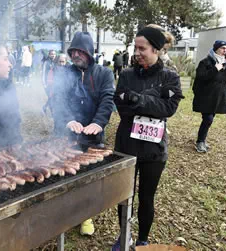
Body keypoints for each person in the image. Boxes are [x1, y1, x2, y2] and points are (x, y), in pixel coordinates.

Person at [111, 26, 184, 249]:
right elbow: (121, 107)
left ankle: (143, 239)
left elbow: (169, 108)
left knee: (146, 198)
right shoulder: (126, 74)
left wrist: (137, 99)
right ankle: (125, 236)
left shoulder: (170, 77)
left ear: (156, 50)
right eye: (135, 47)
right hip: (127, 144)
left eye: (142, 48)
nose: (137, 52)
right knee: (124, 196)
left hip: (154, 150)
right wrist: (150, 101)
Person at [53, 32, 115, 236]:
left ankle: (86, 216)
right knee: (65, 172)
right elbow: (58, 100)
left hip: (92, 135)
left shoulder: (103, 73)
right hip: (67, 134)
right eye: (73, 51)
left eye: (81, 51)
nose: (76, 55)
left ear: (90, 52)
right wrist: (68, 119)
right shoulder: (64, 73)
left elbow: (107, 99)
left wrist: (98, 122)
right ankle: (66, 211)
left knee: (89, 176)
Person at [192, 40, 226, 153]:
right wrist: (215, 69)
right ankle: (200, 141)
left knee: (209, 119)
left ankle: (202, 140)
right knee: (208, 119)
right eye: (223, 48)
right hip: (206, 96)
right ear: (216, 48)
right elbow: (201, 76)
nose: (225, 50)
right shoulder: (206, 61)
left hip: (218, 97)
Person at [42, 50, 57, 114]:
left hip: (54, 84)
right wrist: (44, 84)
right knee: (50, 97)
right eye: (51, 54)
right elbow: (43, 73)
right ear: (49, 55)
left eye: (54, 54)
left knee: (52, 97)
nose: (53, 55)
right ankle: (52, 112)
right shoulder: (46, 62)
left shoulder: (56, 62)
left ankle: (45, 107)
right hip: (47, 84)